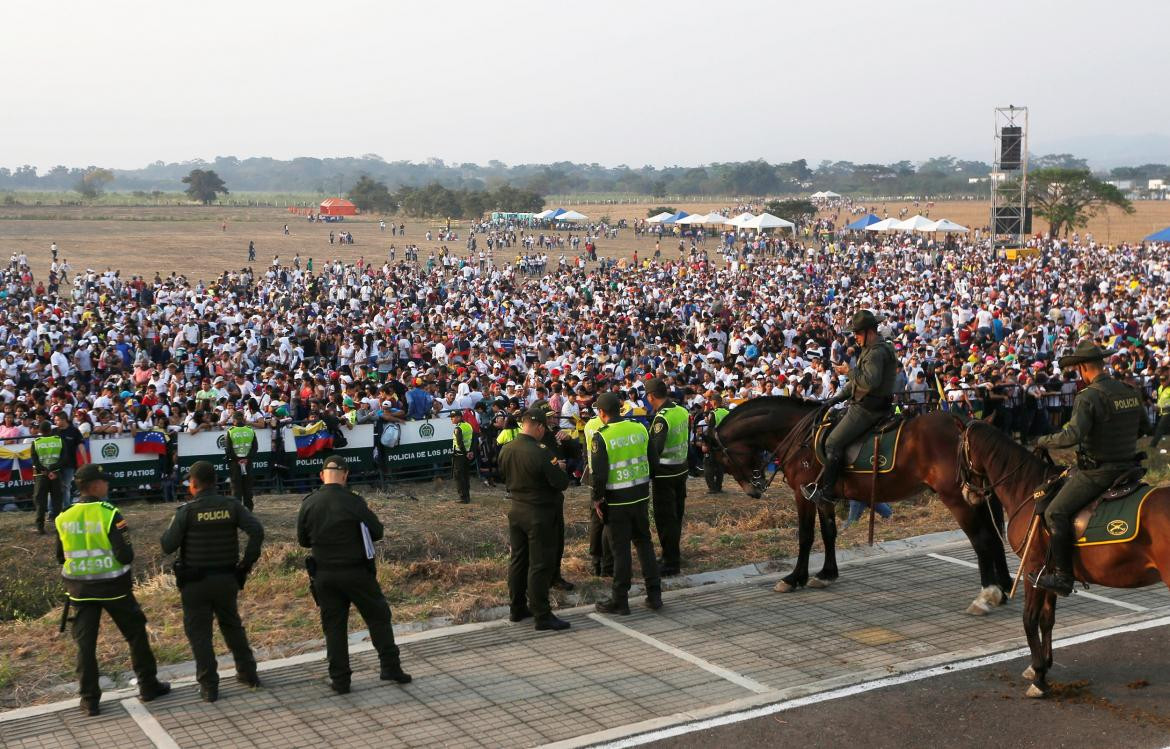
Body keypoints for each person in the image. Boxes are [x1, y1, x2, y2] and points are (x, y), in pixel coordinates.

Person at [1031, 341, 1148, 596]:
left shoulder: (1089, 396)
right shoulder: (1129, 391)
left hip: (1099, 473)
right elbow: (1144, 427)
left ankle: (1063, 577)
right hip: (1130, 468)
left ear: (1083, 367)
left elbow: (1071, 435)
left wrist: (1042, 440)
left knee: (1055, 512)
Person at [55, 464, 170, 716]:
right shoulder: (110, 513)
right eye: (104, 482)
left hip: (80, 591)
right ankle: (148, 686)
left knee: (85, 646)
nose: (107, 485)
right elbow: (125, 554)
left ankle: (89, 700)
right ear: (94, 485)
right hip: (114, 588)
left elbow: (60, 557)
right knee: (136, 635)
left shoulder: (64, 515)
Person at [297, 455, 411, 694]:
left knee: (334, 627)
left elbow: (303, 540)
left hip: (325, 575)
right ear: (346, 475)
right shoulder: (353, 502)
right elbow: (377, 531)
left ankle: (340, 680)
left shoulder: (309, 503)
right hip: (357, 572)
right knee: (378, 617)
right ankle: (390, 667)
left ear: (321, 476)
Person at [160, 460, 264, 702]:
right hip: (226, 578)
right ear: (215, 482)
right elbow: (257, 531)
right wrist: (245, 565)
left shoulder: (187, 511)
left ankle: (209, 686)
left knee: (200, 635)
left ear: (194, 484)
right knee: (232, 626)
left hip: (195, 583)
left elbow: (167, 545)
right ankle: (249, 674)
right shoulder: (232, 506)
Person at [803, 309, 897, 509]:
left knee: (832, 443)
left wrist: (849, 371)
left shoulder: (876, 353)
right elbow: (856, 384)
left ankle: (828, 495)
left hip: (868, 408)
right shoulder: (875, 348)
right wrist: (835, 399)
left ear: (869, 331)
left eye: (857, 333)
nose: (855, 337)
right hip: (869, 403)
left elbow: (868, 382)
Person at [497, 405, 572, 631]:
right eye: (544, 427)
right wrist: (559, 468)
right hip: (539, 511)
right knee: (540, 563)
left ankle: (517, 607)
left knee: (518, 560)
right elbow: (561, 483)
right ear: (539, 426)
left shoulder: (507, 449)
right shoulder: (540, 451)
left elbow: (504, 475)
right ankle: (542, 614)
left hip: (516, 508)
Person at [589, 392, 663, 614]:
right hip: (640, 496)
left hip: (616, 502)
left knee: (620, 551)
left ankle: (620, 600)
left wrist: (597, 500)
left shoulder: (601, 437)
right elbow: (653, 462)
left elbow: (599, 475)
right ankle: (654, 595)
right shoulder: (640, 428)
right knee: (644, 544)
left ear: (602, 413)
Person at [644, 378, 690, 577]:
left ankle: (671, 562)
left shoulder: (661, 418)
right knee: (676, 515)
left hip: (665, 474)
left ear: (650, 397)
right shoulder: (680, 410)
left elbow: (656, 450)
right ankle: (672, 554)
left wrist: (648, 473)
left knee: (665, 519)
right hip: (681, 470)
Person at [31, 419, 65, 534]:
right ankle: (58, 527)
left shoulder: (36, 442)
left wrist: (45, 470)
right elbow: (64, 458)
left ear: (40, 431)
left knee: (40, 501)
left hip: (42, 475)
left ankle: (40, 527)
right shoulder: (59, 440)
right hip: (55, 474)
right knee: (57, 501)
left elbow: (35, 461)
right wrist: (53, 470)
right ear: (51, 429)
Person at [225, 410, 259, 509]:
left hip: (235, 463)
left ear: (234, 420)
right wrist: (247, 459)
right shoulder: (250, 430)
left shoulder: (230, 431)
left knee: (236, 487)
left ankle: (237, 509)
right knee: (247, 486)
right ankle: (249, 508)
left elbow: (228, 449)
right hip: (248, 463)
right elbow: (255, 447)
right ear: (243, 419)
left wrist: (237, 460)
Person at [702, 394, 729, 494]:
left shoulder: (714, 413)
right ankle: (718, 487)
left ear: (714, 402)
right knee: (720, 466)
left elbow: (710, 431)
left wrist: (705, 444)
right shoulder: (727, 412)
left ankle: (712, 488)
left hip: (714, 444)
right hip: (724, 444)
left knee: (708, 465)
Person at [450, 409, 473, 503]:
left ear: (459, 417)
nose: (451, 419)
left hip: (460, 455)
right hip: (467, 454)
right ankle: (467, 495)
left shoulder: (458, 428)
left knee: (459, 476)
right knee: (465, 475)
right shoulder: (468, 425)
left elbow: (460, 443)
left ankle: (463, 497)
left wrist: (466, 453)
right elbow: (473, 438)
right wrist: (470, 451)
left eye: (453, 417)